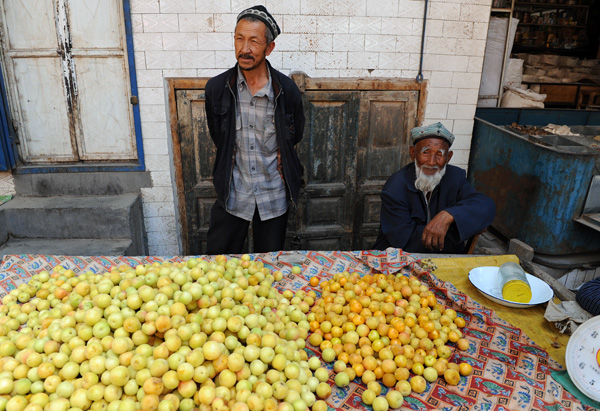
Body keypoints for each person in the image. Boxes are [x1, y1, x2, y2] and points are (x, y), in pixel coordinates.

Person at [204, 5, 305, 255]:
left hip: (272, 193)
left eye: (253, 41)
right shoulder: (217, 88)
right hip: (233, 191)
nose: (245, 49)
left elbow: (295, 135)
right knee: (219, 262)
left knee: (268, 266)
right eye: (239, 39)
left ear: (269, 48)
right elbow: (219, 136)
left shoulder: (287, 90)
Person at [374, 122, 495, 253]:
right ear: (413, 153)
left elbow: (485, 206)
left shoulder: (455, 177)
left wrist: (448, 216)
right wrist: (463, 226)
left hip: (445, 258)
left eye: (439, 154)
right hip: (399, 259)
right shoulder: (396, 186)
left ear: (448, 157)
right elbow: (405, 240)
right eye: (426, 152)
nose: (432, 162)